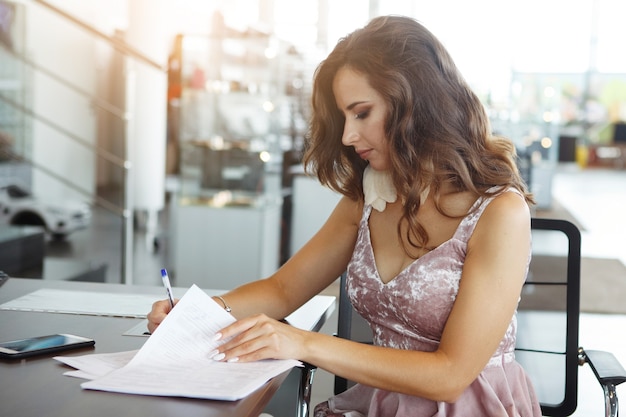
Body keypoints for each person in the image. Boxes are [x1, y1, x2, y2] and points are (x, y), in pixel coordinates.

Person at [148, 15, 542, 416]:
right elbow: (284, 290)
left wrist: (300, 342)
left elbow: (450, 375)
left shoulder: (499, 213)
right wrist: (200, 312)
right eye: (345, 117)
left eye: (362, 113)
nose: (348, 136)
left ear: (418, 101)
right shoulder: (370, 196)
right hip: (384, 403)